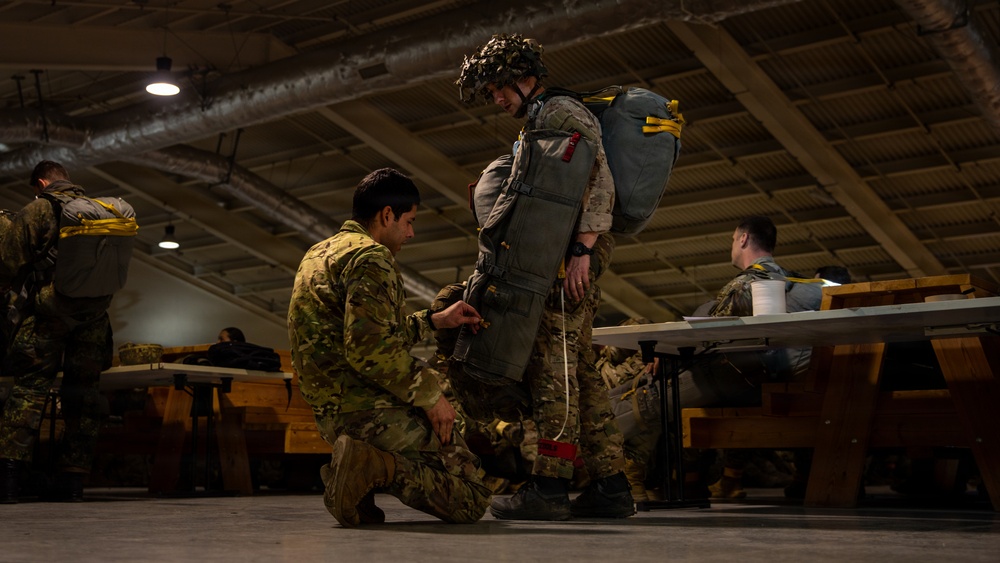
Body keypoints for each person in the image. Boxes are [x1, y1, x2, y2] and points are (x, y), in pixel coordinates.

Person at [458, 33, 633, 520]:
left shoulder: (561, 113)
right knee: (575, 369)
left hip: (564, 260)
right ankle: (611, 483)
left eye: (497, 86)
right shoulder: (541, 118)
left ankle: (550, 487)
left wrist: (582, 250)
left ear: (522, 76)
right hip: (557, 255)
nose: (494, 97)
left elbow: (600, 180)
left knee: (552, 372)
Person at [287, 167, 491, 527]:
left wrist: (433, 320)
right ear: (387, 215)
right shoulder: (372, 257)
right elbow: (369, 349)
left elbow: (362, 334)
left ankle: (355, 478)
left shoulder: (317, 255)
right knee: (470, 499)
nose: (411, 232)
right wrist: (431, 397)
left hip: (331, 416)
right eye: (409, 221)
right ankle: (372, 465)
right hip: (369, 412)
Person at [0, 161, 119, 503]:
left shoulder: (39, 208)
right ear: (67, 179)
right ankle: (73, 483)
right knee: (83, 395)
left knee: (30, 390)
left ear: (40, 183)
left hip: (49, 315)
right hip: (94, 318)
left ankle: (9, 479)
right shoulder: (103, 211)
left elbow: (8, 260)